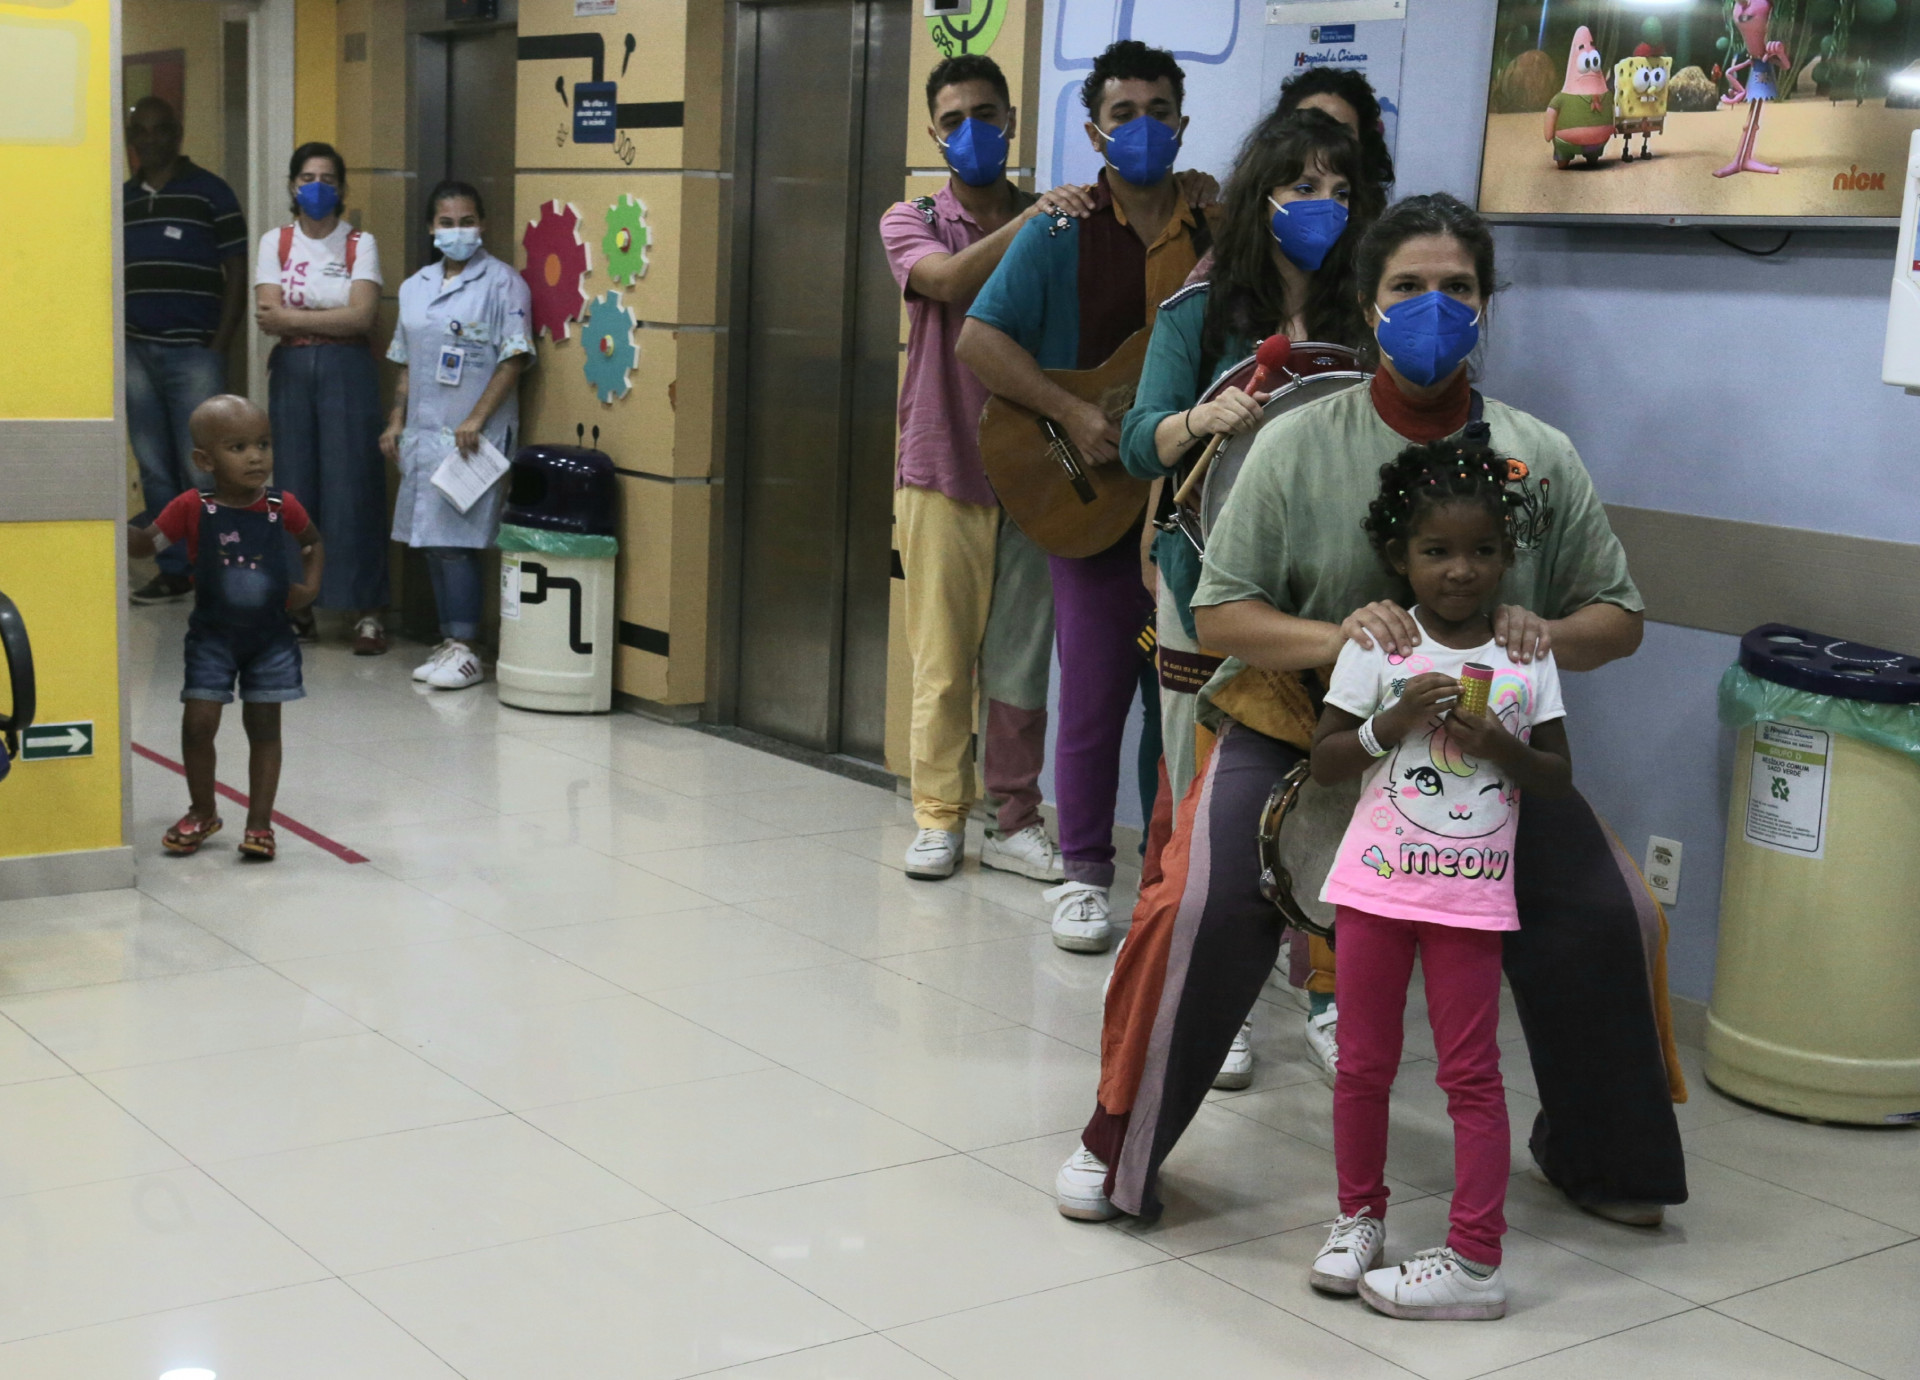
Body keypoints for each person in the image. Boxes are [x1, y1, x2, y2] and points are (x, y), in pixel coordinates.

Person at [1057, 193, 1688, 1233]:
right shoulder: (1298, 443)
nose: (1432, 308)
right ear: (1367, 301)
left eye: (1457, 289)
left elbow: (1619, 616)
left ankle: (1600, 1157)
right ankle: (1117, 1140)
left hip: (1476, 754)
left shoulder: (1540, 453)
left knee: (1617, 910)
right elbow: (1219, 613)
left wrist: (1541, 634)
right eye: (1408, 288)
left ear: (1486, 308)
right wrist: (1343, 642)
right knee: (1198, 905)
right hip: (1305, 733)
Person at [1121, 110, 1381, 1086]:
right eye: (1301, 187)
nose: (1322, 208)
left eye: (1339, 192)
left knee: (1334, 793)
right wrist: (1201, 417)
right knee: (1197, 806)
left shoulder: (1368, 314)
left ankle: (1326, 991)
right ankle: (1208, 995)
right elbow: (1141, 436)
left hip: (1332, 604)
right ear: (1261, 194)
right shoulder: (1199, 313)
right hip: (1210, 590)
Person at [958, 39, 1219, 953]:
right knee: (1095, 691)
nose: (1142, 128)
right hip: (1090, 498)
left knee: (1178, 704)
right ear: (1093, 129)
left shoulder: (1218, 227)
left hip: (1191, 504)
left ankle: (1166, 879)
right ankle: (1081, 874)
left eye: (1159, 111)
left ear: (1182, 122)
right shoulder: (1059, 228)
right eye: (1123, 114)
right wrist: (1070, 412)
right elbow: (979, 341)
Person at [1305, 439, 1571, 1322]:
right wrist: (1391, 722)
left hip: (1470, 904)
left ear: (1507, 557)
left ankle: (1474, 1259)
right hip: (1376, 891)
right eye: (1437, 552)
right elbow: (1328, 760)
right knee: (1364, 1066)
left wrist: (1498, 742)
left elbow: (1557, 777)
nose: (1461, 572)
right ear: (1398, 556)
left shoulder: (1527, 653)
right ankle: (1358, 1218)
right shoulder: (1379, 644)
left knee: (1472, 1078)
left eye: (1483, 552)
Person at [880, 53, 1095, 883]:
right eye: (955, 119)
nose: (974, 131)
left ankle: (1012, 818)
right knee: (941, 662)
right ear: (936, 133)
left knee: (1017, 664)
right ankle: (938, 815)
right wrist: (1035, 219)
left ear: (1013, 119)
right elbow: (945, 281)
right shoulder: (915, 218)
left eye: (988, 114)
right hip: (940, 472)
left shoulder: (1060, 219)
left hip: (1035, 474)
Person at [127, 396, 322, 862]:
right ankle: (203, 811)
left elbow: (312, 542)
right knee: (198, 724)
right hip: (212, 639)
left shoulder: (281, 505)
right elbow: (146, 544)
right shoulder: (192, 507)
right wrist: (112, 522)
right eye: (238, 447)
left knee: (264, 728)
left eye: (263, 444)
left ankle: (259, 824)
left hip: (271, 641)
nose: (256, 456)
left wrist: (310, 589)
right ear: (204, 460)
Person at [380, 181, 534, 691]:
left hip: (475, 437)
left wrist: (476, 418)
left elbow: (514, 358)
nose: (457, 231)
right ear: (431, 228)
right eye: (446, 223)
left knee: (457, 542)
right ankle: (450, 641)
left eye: (466, 221)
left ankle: (467, 648)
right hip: (424, 434)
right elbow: (406, 361)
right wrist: (396, 420)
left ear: (483, 223)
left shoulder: (503, 284)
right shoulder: (415, 286)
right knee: (430, 541)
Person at [254, 141, 388, 655]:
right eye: (308, 177)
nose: (317, 187)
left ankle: (368, 612)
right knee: (294, 489)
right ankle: (298, 607)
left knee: (353, 484)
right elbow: (267, 316)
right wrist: (314, 319)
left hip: (347, 369)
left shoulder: (360, 244)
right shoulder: (276, 241)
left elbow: (361, 317)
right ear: (292, 185)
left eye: (328, 179)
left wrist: (295, 317)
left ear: (342, 188)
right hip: (291, 370)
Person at [123, 96, 249, 605]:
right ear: (131, 140)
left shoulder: (211, 192)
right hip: (134, 354)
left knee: (203, 466)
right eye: (140, 132)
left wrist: (220, 344)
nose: (150, 139)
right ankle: (174, 569)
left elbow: (237, 272)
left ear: (178, 132)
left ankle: (214, 570)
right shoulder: (122, 199)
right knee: (154, 468)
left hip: (195, 352)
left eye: (160, 129)